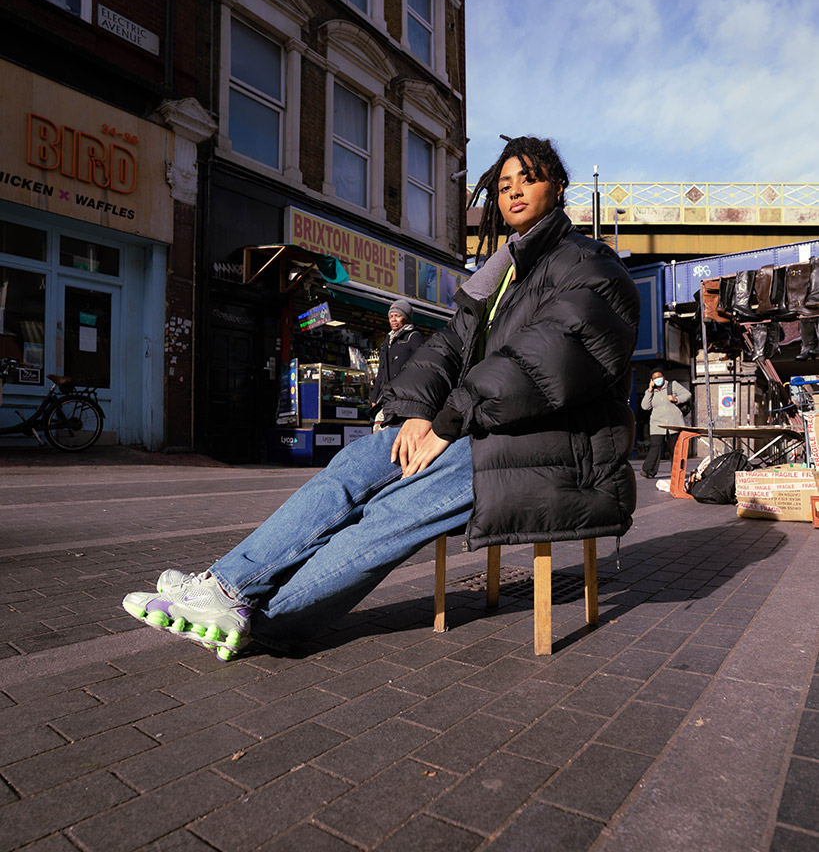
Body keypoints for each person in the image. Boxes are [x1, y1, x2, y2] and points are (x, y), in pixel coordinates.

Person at [122, 135, 641, 661]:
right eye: (502, 185)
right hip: (483, 426)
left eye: (527, 179)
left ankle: (267, 617)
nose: (512, 192)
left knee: (397, 505)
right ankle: (226, 587)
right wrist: (416, 413)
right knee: (359, 461)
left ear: (557, 186)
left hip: (557, 446)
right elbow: (447, 348)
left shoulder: (591, 266)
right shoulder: (501, 274)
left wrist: (446, 423)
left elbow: (541, 360)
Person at [370, 298, 424, 431]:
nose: (393, 320)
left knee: (396, 432)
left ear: (406, 318)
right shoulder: (386, 342)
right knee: (378, 431)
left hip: (405, 397)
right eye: (391, 317)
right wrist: (374, 397)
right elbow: (381, 373)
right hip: (386, 398)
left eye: (398, 316)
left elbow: (421, 368)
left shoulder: (413, 337)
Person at [640, 370, 691, 478]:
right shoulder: (651, 392)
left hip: (674, 422)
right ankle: (648, 470)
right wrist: (649, 390)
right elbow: (645, 406)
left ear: (663, 377)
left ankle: (677, 472)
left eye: (659, 377)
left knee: (676, 448)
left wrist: (676, 399)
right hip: (657, 424)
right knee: (655, 446)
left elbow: (687, 394)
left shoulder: (672, 385)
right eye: (655, 378)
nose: (658, 379)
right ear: (652, 381)